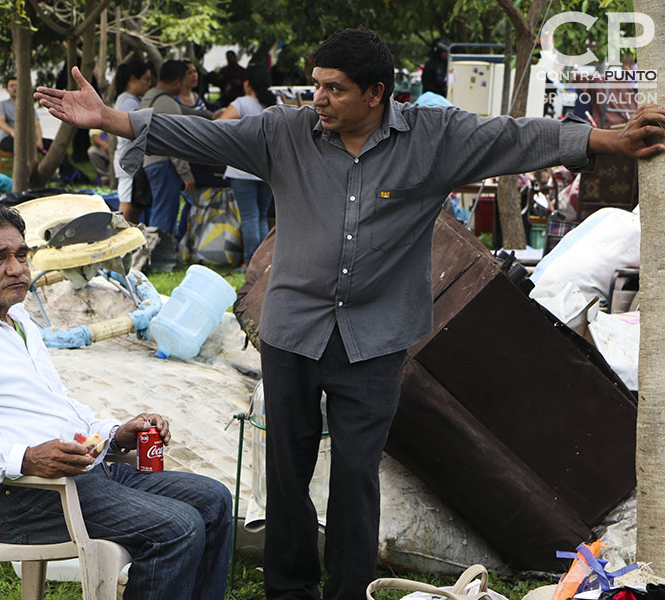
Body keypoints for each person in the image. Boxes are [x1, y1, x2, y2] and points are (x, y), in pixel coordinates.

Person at [34, 28, 665, 599]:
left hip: (376, 338)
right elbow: (204, 133)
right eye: (316, 86)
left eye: (334, 89)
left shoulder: (433, 137)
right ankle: (289, 588)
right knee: (287, 466)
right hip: (293, 333)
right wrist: (110, 118)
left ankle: (348, 590)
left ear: (376, 94)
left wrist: (609, 138)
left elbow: (516, 137)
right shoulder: (284, 132)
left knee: (357, 473)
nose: (320, 99)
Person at [0, 204, 232, 600]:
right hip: (25, 496)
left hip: (82, 476)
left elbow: (56, 407)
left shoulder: (19, 320)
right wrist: (24, 458)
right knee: (179, 527)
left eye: (21, 255)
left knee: (214, 499)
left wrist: (114, 435)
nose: (17, 269)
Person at [216, 64, 277, 267]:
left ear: (247, 83)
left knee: (250, 217)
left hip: (242, 169)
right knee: (260, 216)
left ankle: (252, 263)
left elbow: (220, 125)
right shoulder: (272, 105)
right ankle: (262, 264)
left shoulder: (242, 103)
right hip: (267, 169)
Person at [139, 59, 195, 236]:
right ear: (177, 81)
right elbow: (174, 143)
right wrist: (186, 175)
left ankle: (154, 253)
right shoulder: (168, 104)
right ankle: (157, 256)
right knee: (165, 212)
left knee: (159, 208)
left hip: (149, 162)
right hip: (164, 164)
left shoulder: (149, 97)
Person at [112, 60, 152, 221]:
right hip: (128, 163)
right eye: (146, 79)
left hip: (129, 162)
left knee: (133, 209)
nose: (149, 84)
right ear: (133, 79)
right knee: (126, 209)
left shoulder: (130, 100)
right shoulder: (128, 101)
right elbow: (132, 130)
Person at [0, 76, 52, 155]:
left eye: (16, 85)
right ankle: (41, 156)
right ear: (7, 89)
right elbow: (0, 122)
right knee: (27, 146)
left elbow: (36, 124)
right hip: (8, 139)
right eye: (11, 86)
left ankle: (67, 167)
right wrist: (13, 132)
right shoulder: (2, 105)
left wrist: (39, 140)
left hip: (27, 138)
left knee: (54, 145)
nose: (14, 88)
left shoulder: (27, 105)